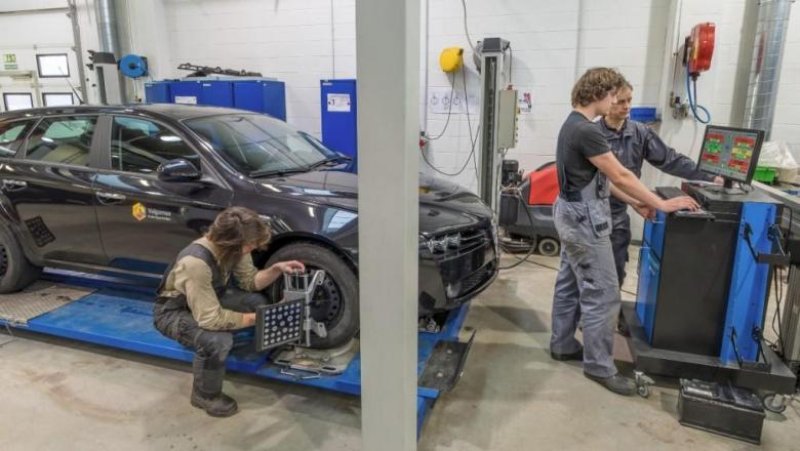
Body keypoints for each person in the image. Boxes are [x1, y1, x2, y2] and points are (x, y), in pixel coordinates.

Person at [550, 68, 699, 396]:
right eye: (613, 96)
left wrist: (635, 202)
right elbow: (621, 175)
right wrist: (662, 204)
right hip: (584, 220)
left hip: (571, 212)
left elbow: (601, 179)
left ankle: (561, 344)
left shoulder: (572, 124)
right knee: (603, 293)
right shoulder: (588, 131)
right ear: (599, 95)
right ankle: (599, 366)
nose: (616, 102)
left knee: (569, 282)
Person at [153, 207, 305, 417]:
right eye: (250, 245)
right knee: (217, 340)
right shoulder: (196, 263)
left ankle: (228, 350)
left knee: (255, 302)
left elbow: (250, 281)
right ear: (232, 243)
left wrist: (276, 269)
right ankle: (205, 395)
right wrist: (260, 319)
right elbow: (210, 320)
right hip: (174, 312)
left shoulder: (233, 248)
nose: (252, 248)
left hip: (209, 298)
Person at [600, 80, 722, 286]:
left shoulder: (639, 133)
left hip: (618, 214)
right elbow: (603, 180)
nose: (627, 106)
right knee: (591, 275)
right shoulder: (593, 134)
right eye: (621, 101)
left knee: (615, 272)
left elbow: (670, 160)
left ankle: (611, 304)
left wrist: (710, 177)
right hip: (594, 212)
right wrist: (645, 201)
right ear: (608, 101)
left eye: (629, 100)